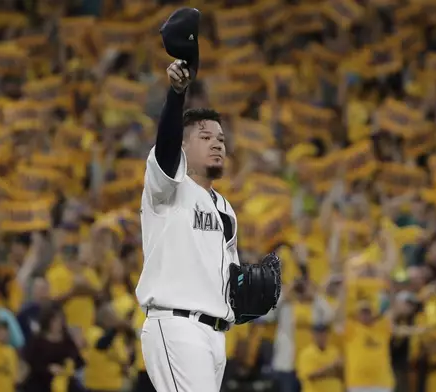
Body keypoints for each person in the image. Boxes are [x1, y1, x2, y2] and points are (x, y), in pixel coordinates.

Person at [136, 12, 242, 392]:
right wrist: (176, 94)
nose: (217, 142)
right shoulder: (169, 185)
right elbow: (165, 145)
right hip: (176, 325)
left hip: (216, 335)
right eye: (205, 136)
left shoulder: (226, 210)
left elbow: (229, 279)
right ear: (184, 146)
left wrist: (243, 292)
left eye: (221, 138)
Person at [21, 303, 85, 392]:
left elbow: (78, 362)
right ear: (47, 321)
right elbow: (31, 361)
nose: (58, 323)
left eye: (60, 320)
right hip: (40, 383)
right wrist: (47, 368)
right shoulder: (37, 340)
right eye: (54, 320)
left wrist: (68, 366)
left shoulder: (68, 340)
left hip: (63, 382)